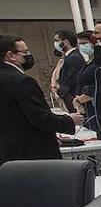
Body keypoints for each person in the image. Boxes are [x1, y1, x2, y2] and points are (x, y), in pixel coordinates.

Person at [0, 34, 83, 164]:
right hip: (31, 153)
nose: (28, 55)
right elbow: (39, 117)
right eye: (25, 52)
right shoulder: (22, 81)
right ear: (11, 56)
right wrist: (69, 120)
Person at [49, 29, 84, 109]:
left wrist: (60, 92)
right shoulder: (67, 58)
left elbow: (70, 80)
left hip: (72, 99)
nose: (55, 44)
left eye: (57, 40)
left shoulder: (73, 58)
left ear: (66, 42)